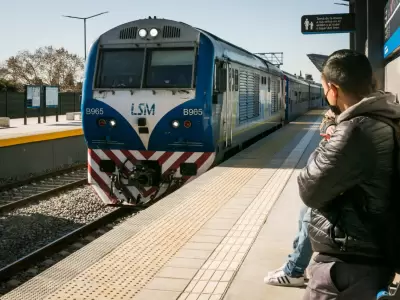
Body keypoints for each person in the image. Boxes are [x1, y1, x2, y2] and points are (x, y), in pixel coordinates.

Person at [298, 49, 400, 299]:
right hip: (369, 254)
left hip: (347, 265)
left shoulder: (354, 130)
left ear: (333, 89)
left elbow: (309, 188)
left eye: (325, 88)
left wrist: (331, 132)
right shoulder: (383, 117)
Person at [263, 110, 337, 287]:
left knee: (312, 212)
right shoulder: (344, 110)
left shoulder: (357, 120)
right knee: (305, 209)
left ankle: (294, 270)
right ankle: (295, 264)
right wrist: (330, 125)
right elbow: (327, 119)